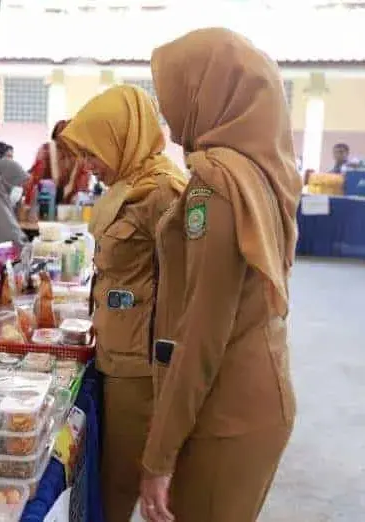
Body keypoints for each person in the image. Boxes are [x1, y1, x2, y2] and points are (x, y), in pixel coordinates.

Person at [138, 28, 301, 522]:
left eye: (171, 93)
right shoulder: (262, 170)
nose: (166, 116)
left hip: (227, 409)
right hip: (255, 391)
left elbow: (203, 333)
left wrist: (158, 457)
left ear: (206, 90)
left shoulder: (218, 185)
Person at [59, 85, 186, 522]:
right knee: (105, 476)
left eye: (94, 153)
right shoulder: (125, 185)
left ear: (124, 137)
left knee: (117, 487)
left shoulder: (163, 193)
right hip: (114, 349)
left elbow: (184, 290)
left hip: (139, 365)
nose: (87, 166)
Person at [25, 120, 92, 205]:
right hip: (44, 203)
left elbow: (83, 184)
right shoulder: (46, 150)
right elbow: (35, 180)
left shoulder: (80, 156)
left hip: (69, 207)